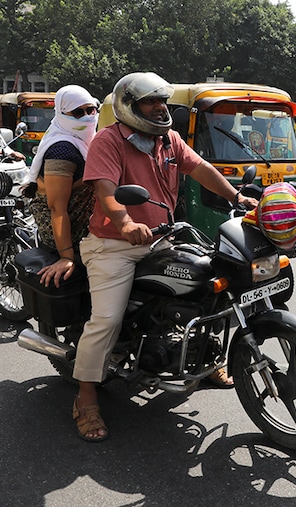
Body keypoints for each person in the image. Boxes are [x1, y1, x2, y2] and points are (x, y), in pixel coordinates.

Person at [72, 72, 258, 442]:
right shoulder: (109, 141)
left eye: (162, 101)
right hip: (113, 244)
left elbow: (201, 169)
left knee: (209, 285)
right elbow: (107, 192)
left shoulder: (169, 140)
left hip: (162, 237)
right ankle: (86, 397)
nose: (160, 108)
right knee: (106, 319)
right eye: (150, 102)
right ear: (129, 105)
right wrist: (125, 224)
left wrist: (237, 197)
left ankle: (205, 362)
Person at [26, 85, 98, 288]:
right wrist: (67, 257)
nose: (86, 117)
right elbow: (57, 209)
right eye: (77, 112)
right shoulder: (62, 150)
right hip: (66, 232)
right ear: (62, 113)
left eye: (90, 110)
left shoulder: (86, 141)